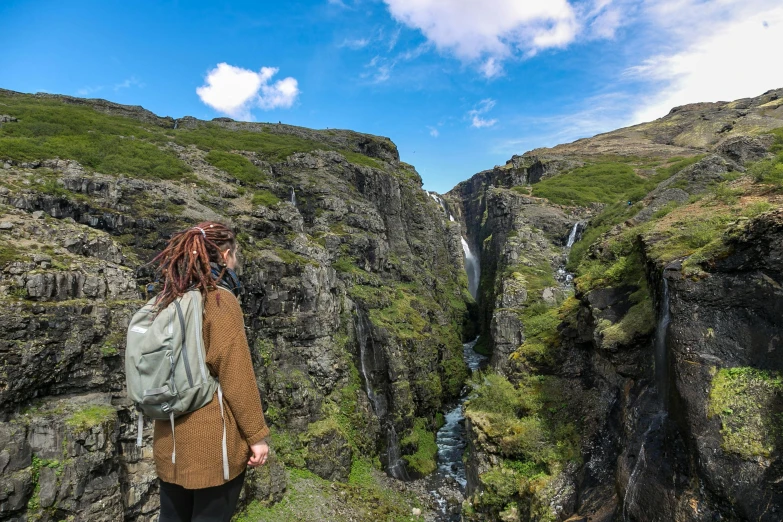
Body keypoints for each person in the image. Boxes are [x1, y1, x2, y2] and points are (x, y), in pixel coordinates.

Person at [149, 221, 270, 522]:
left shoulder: (166, 296)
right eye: (235, 257)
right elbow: (236, 373)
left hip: (169, 438)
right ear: (226, 254)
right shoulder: (219, 299)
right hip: (212, 447)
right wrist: (256, 436)